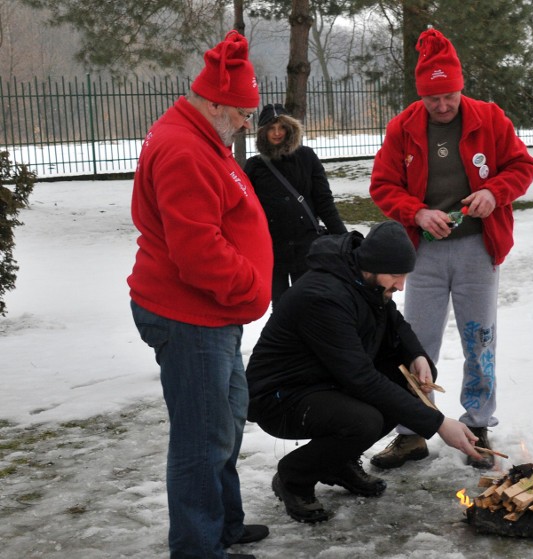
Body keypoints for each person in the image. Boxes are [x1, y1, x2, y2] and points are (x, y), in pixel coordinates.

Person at [128, 31, 272, 559]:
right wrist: (253, 286)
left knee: (226, 423)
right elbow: (197, 252)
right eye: (239, 113)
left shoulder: (201, 136)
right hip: (190, 316)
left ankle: (223, 526)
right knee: (201, 440)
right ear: (213, 102)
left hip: (214, 315)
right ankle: (198, 547)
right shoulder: (184, 148)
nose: (245, 125)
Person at [369, 28, 533, 470]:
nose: (442, 106)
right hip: (422, 253)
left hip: (476, 248)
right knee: (415, 341)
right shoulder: (403, 127)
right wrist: (417, 212)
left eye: (449, 96)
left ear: (461, 88)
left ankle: (478, 422)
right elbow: (382, 185)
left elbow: (523, 164)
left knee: (479, 337)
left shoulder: (489, 118)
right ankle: (410, 432)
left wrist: (495, 192)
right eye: (433, 98)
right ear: (421, 96)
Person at [245, 221, 483, 523]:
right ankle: (294, 477)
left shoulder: (364, 281)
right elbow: (359, 378)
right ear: (372, 265)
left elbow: (395, 322)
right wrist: (437, 423)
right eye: (396, 276)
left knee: (406, 384)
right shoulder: (323, 297)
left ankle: (336, 462)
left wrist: (417, 356)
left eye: (404, 276)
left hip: (323, 382)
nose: (401, 285)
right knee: (363, 421)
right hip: (280, 396)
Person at [243, 103, 347, 309]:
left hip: (306, 246)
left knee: (310, 306)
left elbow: (324, 202)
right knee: (281, 309)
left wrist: (344, 240)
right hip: (273, 250)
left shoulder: (307, 157)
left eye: (282, 127)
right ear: (262, 133)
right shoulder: (255, 166)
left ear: (290, 129)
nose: (277, 133)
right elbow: (247, 212)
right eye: (271, 128)